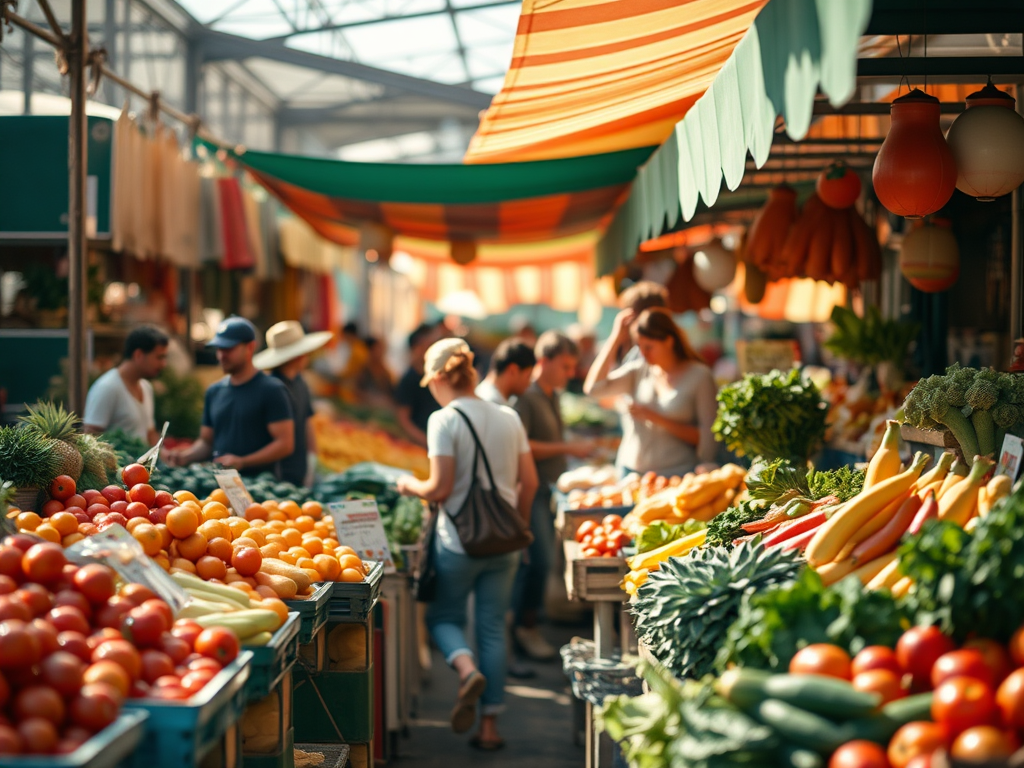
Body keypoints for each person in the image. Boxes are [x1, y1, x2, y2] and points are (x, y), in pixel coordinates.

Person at [396, 338, 538, 751]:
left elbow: (438, 488)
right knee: (493, 627)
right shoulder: (509, 417)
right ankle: (489, 728)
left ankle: (464, 668)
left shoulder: (444, 420)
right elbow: (528, 482)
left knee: (442, 618)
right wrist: (518, 528)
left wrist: (408, 485)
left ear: (440, 377)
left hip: (459, 542)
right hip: (506, 543)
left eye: (430, 383)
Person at [512, 331, 592, 662]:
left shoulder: (552, 395)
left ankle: (528, 623)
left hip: (552, 489)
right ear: (543, 362)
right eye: (565, 366)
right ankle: (523, 628)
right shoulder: (527, 399)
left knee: (542, 561)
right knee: (538, 560)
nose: (571, 373)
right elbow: (523, 446)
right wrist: (568, 447)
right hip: (534, 491)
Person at [584, 307, 718, 476]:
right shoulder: (639, 370)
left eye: (648, 347)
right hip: (631, 472)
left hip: (677, 474)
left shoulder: (699, 376)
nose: (643, 354)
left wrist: (655, 418)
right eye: (639, 346)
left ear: (669, 341)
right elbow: (593, 389)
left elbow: (709, 438)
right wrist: (615, 338)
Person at [166, 316, 294, 477]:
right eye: (218, 349)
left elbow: (285, 444)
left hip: (261, 488)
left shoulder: (272, 390)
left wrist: (243, 461)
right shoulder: (214, 391)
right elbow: (207, 442)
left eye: (228, 349)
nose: (221, 355)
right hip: (220, 486)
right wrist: (185, 456)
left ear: (250, 347)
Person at [253, 321, 333, 487]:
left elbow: (307, 420)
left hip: (299, 466)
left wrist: (312, 457)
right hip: (278, 473)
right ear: (298, 355)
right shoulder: (273, 388)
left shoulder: (300, 382)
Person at [83, 326, 169, 444]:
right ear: (138, 355)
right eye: (159, 357)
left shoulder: (146, 387)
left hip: (141, 462)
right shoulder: (107, 387)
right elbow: (90, 438)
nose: (163, 364)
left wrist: (165, 457)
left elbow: (150, 433)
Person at [395, 322, 443, 448]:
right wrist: (426, 441)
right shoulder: (409, 379)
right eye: (430, 344)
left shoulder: (435, 376)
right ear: (417, 347)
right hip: (419, 446)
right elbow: (403, 419)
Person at [476, 339, 536, 407]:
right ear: (513, 370)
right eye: (528, 376)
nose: (529, 383)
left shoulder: (493, 400)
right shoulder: (488, 402)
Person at [357, 336, 396, 404]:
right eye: (378, 348)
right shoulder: (364, 370)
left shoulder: (385, 370)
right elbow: (358, 392)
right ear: (370, 351)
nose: (381, 351)